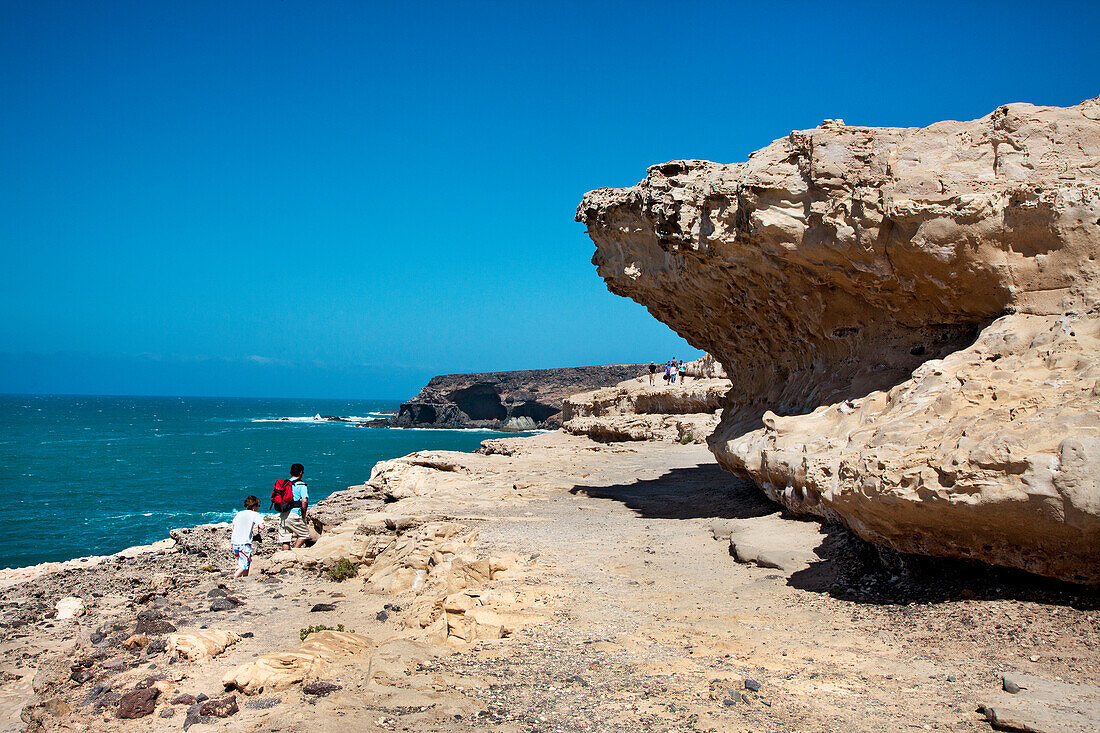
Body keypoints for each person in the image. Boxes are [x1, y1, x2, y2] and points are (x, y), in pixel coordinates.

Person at [230, 495, 265, 578]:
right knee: (244, 565)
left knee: (244, 561)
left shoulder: (239, 514)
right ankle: (233, 578)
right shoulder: (255, 514)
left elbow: (234, 526)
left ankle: (245, 578)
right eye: (258, 506)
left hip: (235, 541)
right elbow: (261, 526)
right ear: (254, 506)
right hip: (244, 542)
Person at [278, 463, 310, 550]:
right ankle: (294, 552)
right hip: (295, 513)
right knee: (304, 534)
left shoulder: (285, 484)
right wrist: (304, 513)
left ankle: (285, 557)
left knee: (285, 539)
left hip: (283, 513)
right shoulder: (301, 485)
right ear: (300, 473)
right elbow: (304, 500)